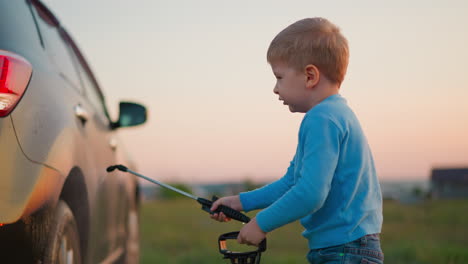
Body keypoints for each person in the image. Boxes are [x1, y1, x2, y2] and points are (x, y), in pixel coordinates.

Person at [210, 17, 384, 264]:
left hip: (344, 252)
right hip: (349, 247)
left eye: (279, 77)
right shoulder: (336, 114)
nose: (275, 88)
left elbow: (311, 193)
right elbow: (293, 182)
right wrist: (240, 202)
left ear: (310, 76)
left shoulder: (321, 118)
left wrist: (261, 224)